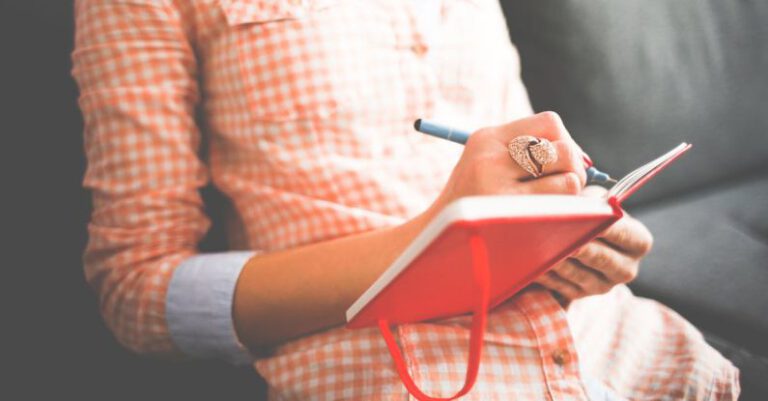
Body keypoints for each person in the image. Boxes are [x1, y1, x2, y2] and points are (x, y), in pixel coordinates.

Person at [72, 0, 739, 399]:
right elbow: (136, 290)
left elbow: (514, 148)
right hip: (406, 373)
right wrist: (433, 240)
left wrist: (567, 213)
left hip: (632, 352)